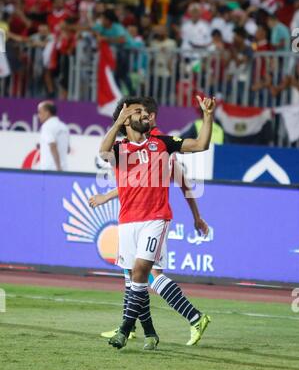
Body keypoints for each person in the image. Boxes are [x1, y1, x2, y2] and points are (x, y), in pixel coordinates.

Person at [97, 95, 215, 350]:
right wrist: (118, 124)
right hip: (128, 221)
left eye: (145, 112)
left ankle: (126, 330)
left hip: (155, 218)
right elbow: (104, 153)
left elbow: (200, 146)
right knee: (133, 277)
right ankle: (149, 332)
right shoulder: (121, 149)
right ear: (126, 118)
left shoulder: (161, 143)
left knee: (142, 273)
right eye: (138, 112)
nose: (146, 116)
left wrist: (207, 115)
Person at [37, 101, 69, 171]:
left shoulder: (47, 126)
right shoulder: (64, 127)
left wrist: (58, 167)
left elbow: (52, 146)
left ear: (47, 112)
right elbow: (68, 149)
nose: (38, 115)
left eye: (40, 112)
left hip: (50, 170)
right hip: (64, 169)